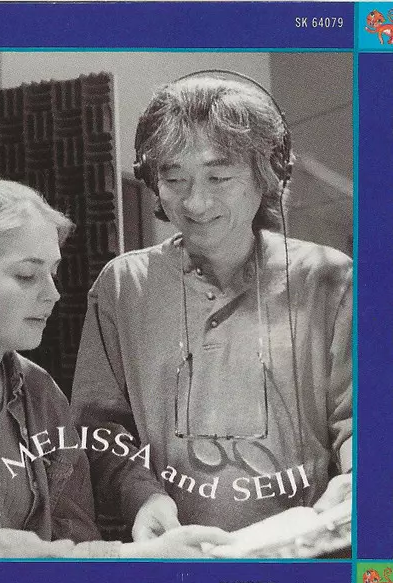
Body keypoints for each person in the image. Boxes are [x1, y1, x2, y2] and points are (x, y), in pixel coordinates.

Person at [0, 175, 231, 558]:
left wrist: (144, 503)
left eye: (53, 272)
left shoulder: (40, 391)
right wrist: (130, 558)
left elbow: (73, 532)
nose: (53, 293)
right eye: (27, 275)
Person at [70, 73, 352, 545]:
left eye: (218, 177)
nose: (195, 202)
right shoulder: (123, 286)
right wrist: (141, 495)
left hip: (308, 555)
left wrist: (358, 477)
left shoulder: (329, 277)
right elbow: (100, 430)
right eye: (173, 179)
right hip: (181, 556)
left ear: (267, 175)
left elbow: (359, 414)